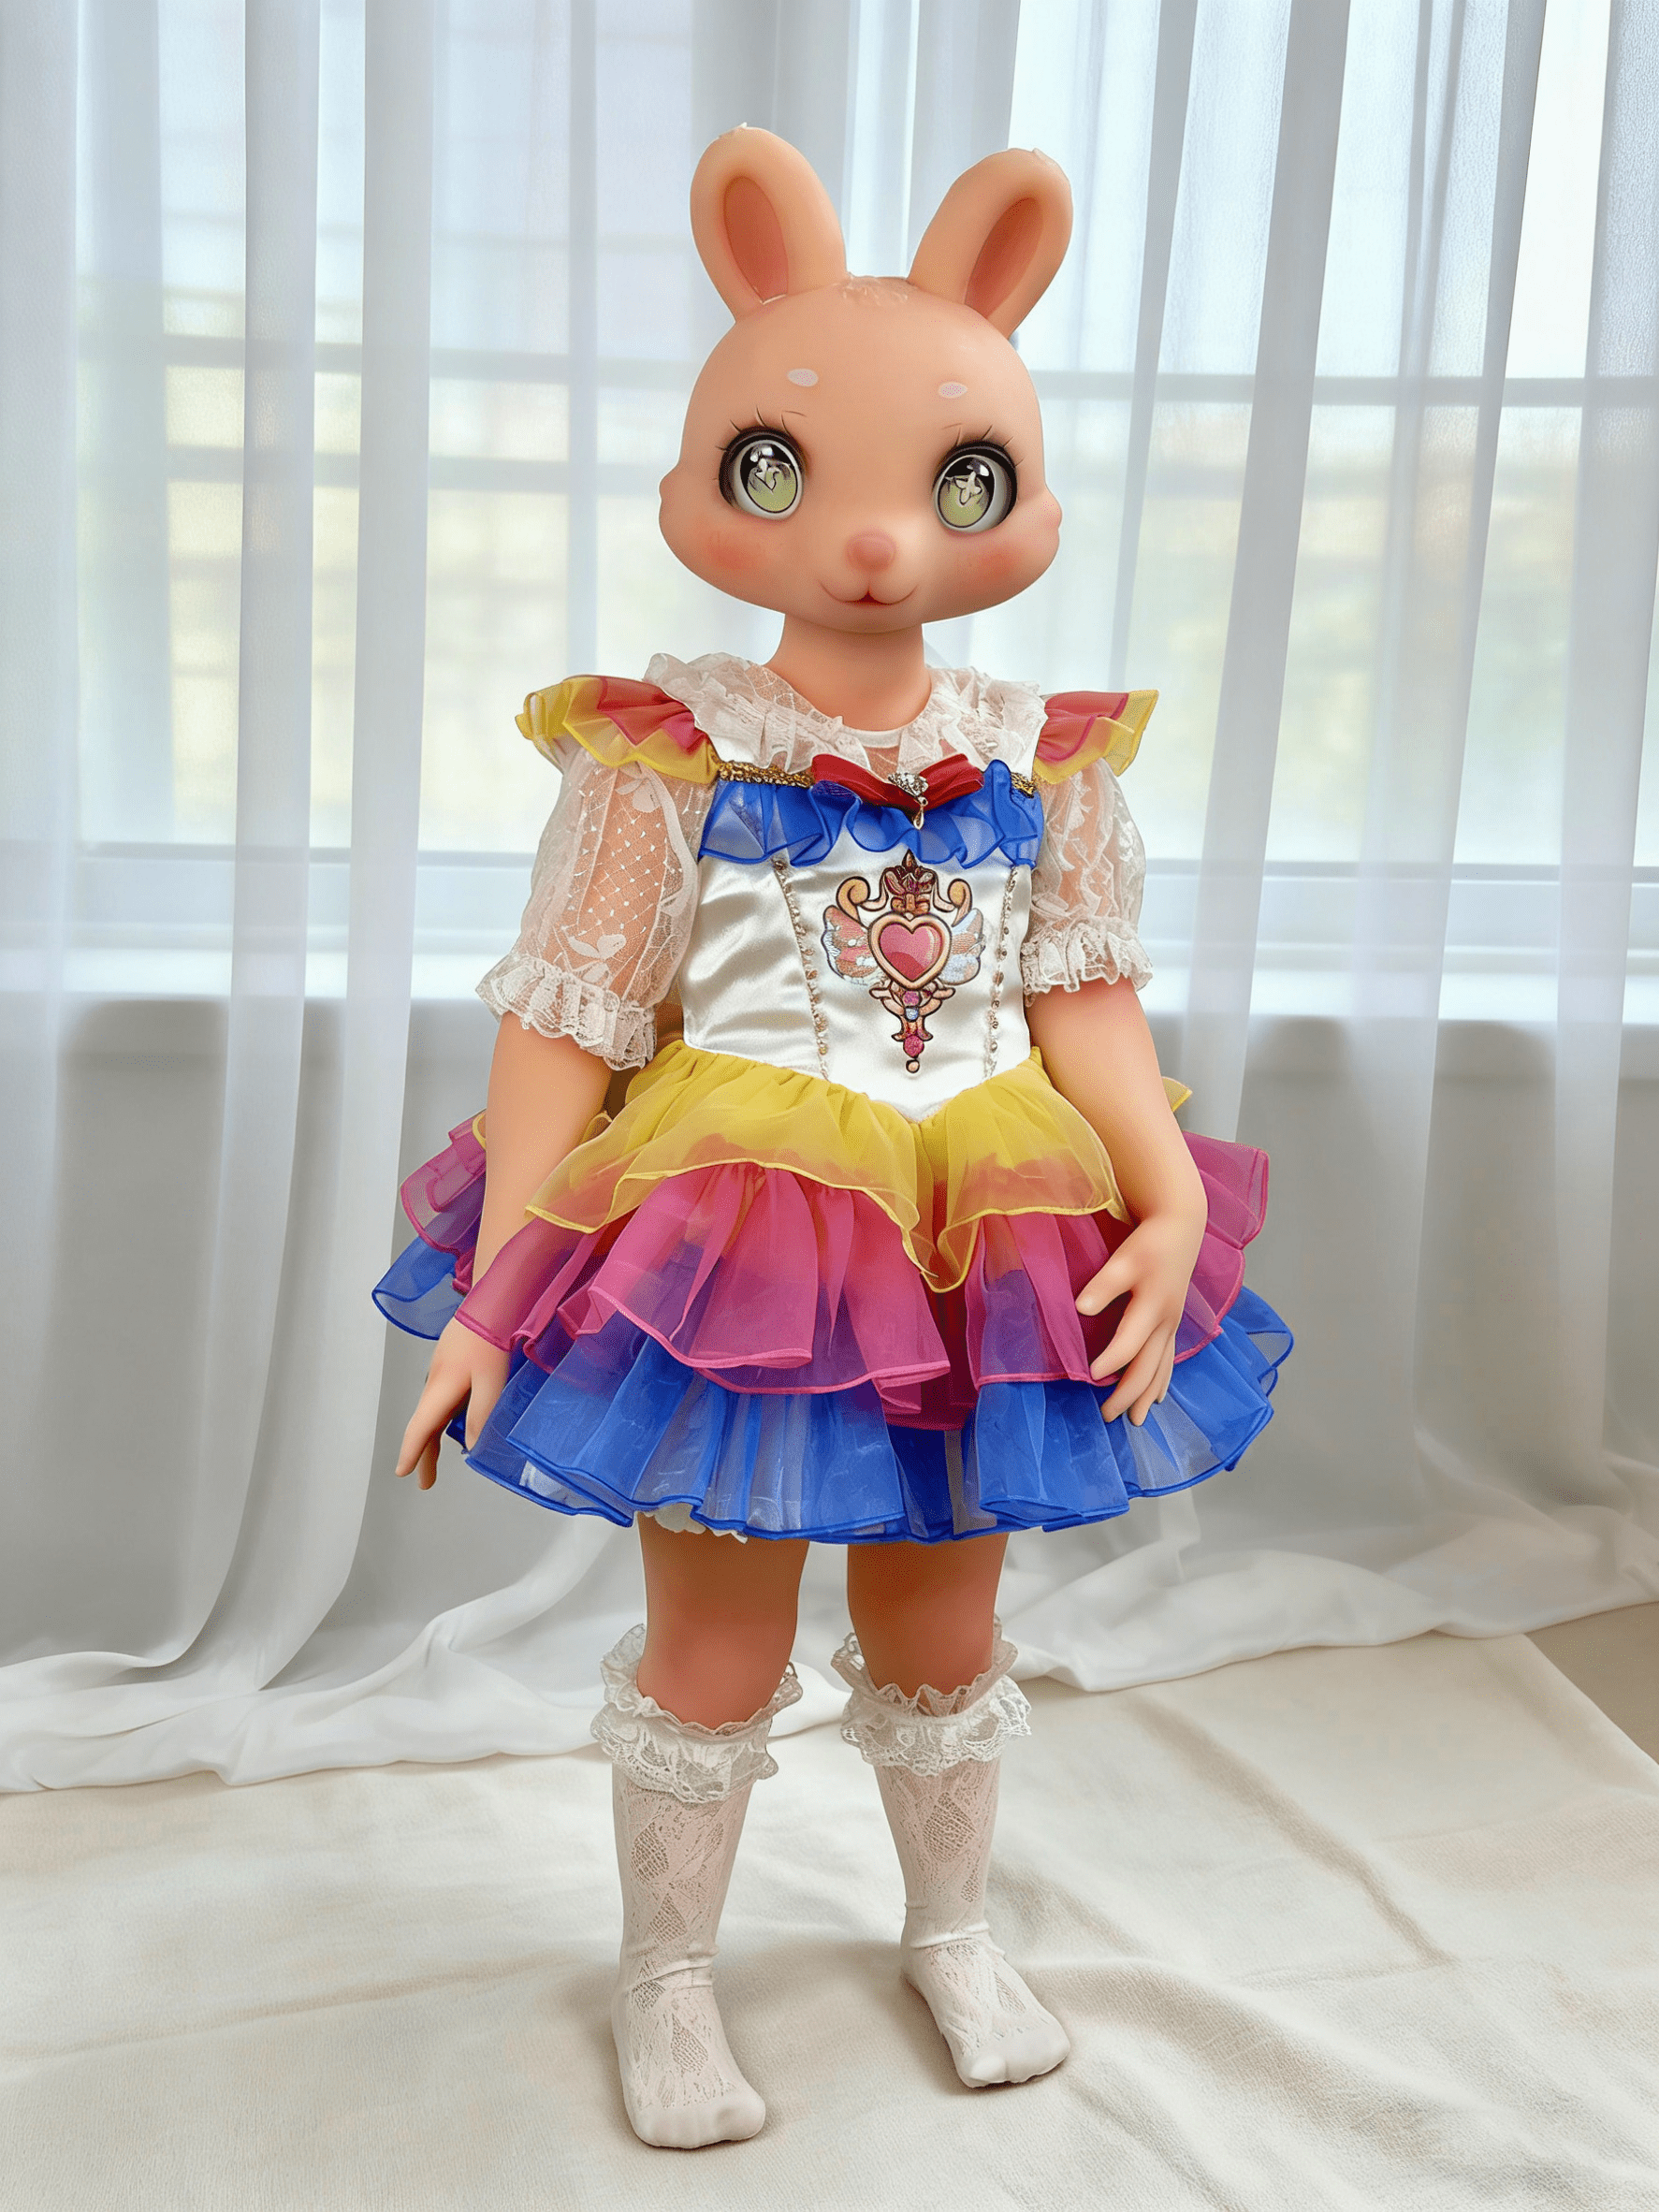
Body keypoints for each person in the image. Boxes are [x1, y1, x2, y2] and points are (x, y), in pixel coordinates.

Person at [376, 128, 1290, 2150]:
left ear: (1020, 501)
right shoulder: (668, 757)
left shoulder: (1040, 761)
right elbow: (567, 1024)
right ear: (704, 488)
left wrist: (1156, 1191)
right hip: (728, 1237)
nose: (874, 543)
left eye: (960, 482)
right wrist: (502, 1294)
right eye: (779, 469)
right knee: (715, 1634)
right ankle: (667, 1975)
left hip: (990, 1222)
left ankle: (949, 1925)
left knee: (946, 1616)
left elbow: (1082, 997)